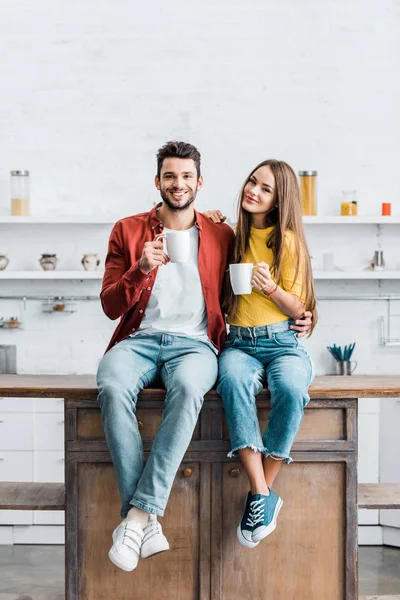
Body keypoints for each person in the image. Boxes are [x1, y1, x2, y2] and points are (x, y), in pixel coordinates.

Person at [97, 141, 235, 572]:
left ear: (200, 182)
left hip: (195, 344)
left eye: (186, 176)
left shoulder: (221, 234)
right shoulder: (127, 229)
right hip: (139, 340)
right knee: (111, 383)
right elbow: (109, 306)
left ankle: (137, 516)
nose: (178, 184)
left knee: (191, 387)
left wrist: (301, 313)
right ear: (157, 181)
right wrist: (139, 269)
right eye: (170, 176)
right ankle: (148, 518)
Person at [206, 159, 317, 548]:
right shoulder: (231, 236)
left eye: (265, 188)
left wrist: (270, 288)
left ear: (278, 200)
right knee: (232, 381)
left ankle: (260, 496)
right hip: (240, 343)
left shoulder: (288, 242)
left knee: (290, 388)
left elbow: (298, 306)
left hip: (283, 342)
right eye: (252, 181)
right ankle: (263, 493)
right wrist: (209, 223)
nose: (253, 190)